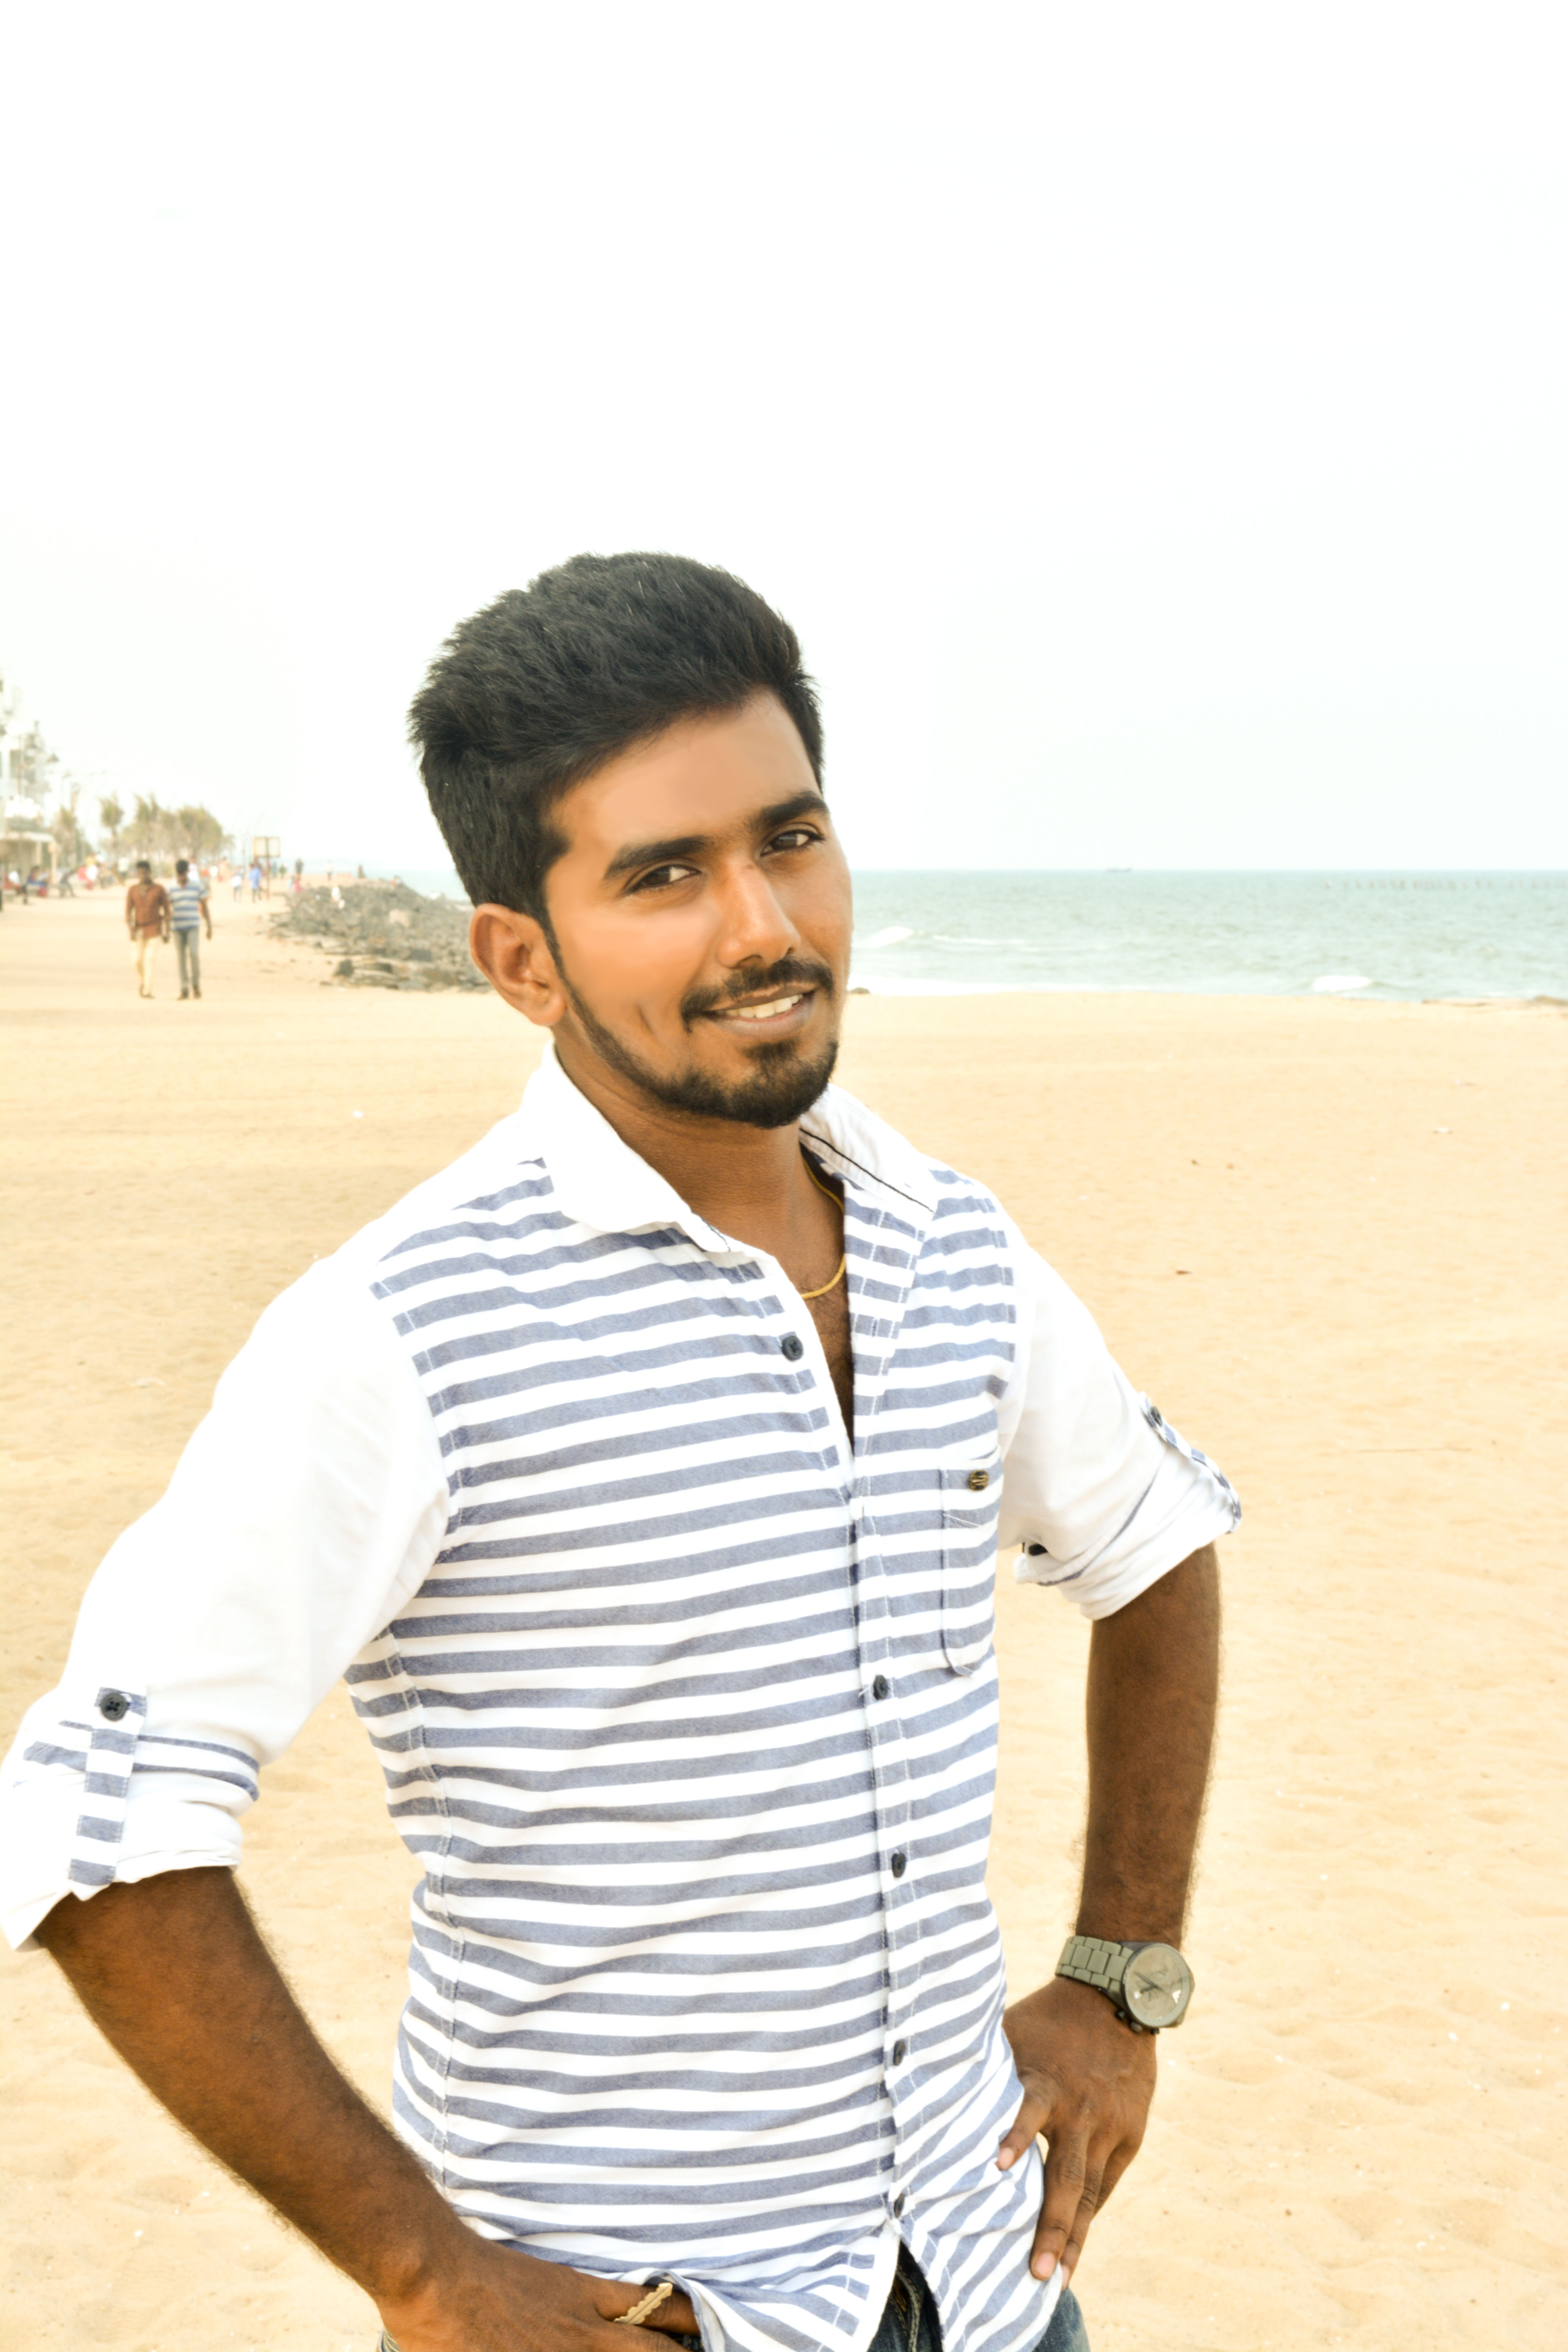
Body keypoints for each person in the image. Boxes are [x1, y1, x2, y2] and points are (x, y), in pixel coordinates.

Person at [0, 555, 1237, 2352]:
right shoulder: (409, 1328)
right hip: (640, 2311)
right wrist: (422, 2270)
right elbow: (96, 1815)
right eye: (663, 875)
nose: (763, 925)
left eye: (790, 838)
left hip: (992, 2286)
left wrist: (1119, 1978)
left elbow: (1153, 1545)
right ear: (522, 956)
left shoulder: (952, 1246)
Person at [123, 859, 171, 996]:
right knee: (137, 960)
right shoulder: (133, 890)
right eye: (140, 873)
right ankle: (144, 983)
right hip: (138, 930)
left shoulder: (159, 890)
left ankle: (147, 990)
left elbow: (167, 912)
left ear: (150, 873)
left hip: (155, 930)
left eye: (145, 873)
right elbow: (128, 912)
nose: (143, 876)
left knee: (150, 959)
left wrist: (167, 932)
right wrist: (131, 930)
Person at [169, 858, 213, 998]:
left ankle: (196, 985)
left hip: (193, 926)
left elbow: (205, 907)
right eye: (179, 874)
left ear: (188, 872)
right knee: (181, 958)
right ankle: (184, 988)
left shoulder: (197, 887)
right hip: (177, 927)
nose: (182, 877)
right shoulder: (171, 888)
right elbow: (168, 909)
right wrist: (166, 927)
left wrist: (209, 926)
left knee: (194, 954)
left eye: (184, 873)